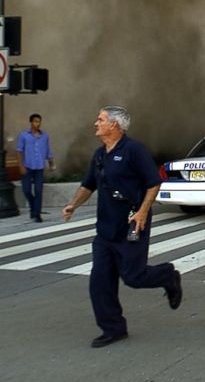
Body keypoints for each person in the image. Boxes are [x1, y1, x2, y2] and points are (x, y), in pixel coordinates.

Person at [61, 106, 183, 348]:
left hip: (130, 225)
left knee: (134, 277)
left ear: (114, 125)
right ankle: (113, 328)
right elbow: (88, 185)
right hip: (105, 231)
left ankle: (168, 276)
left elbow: (153, 182)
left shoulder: (134, 151)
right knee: (100, 282)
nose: (95, 123)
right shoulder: (99, 155)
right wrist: (72, 204)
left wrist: (143, 211)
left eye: (100, 119)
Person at [16, 113, 55, 223]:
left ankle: (37, 214)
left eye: (39, 121)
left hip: (39, 167)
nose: (37, 124)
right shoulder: (24, 136)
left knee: (38, 190)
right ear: (31, 122)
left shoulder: (44, 136)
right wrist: (20, 165)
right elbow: (19, 151)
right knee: (26, 190)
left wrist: (51, 164)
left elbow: (48, 151)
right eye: (35, 121)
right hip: (27, 166)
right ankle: (33, 207)